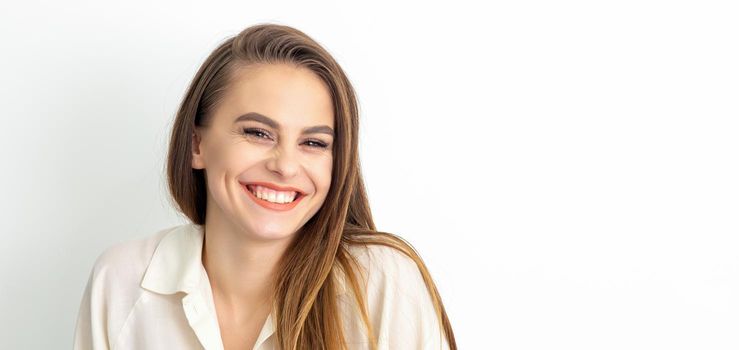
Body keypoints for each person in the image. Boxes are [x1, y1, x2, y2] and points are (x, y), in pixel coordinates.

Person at [72, 23, 456, 350]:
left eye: (314, 142)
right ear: (196, 145)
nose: (286, 166)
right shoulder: (121, 279)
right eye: (258, 133)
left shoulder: (383, 283)